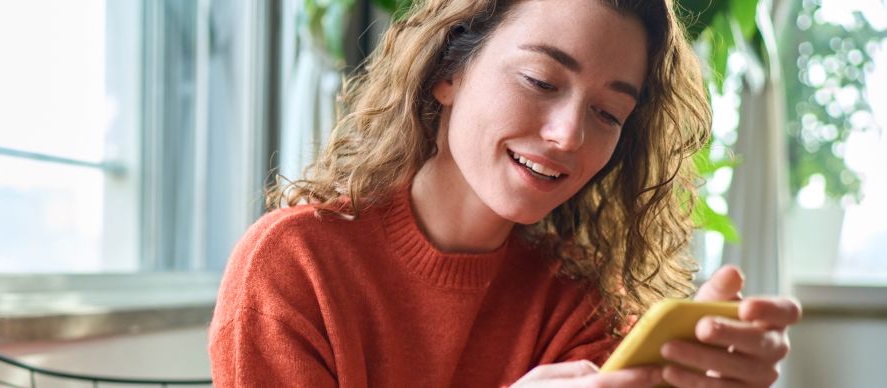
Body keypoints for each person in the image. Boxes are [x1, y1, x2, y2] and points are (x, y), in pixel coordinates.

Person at [208, 0, 801, 386]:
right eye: (542, 81)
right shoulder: (293, 267)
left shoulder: (579, 302)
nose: (569, 134)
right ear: (447, 72)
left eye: (608, 113)